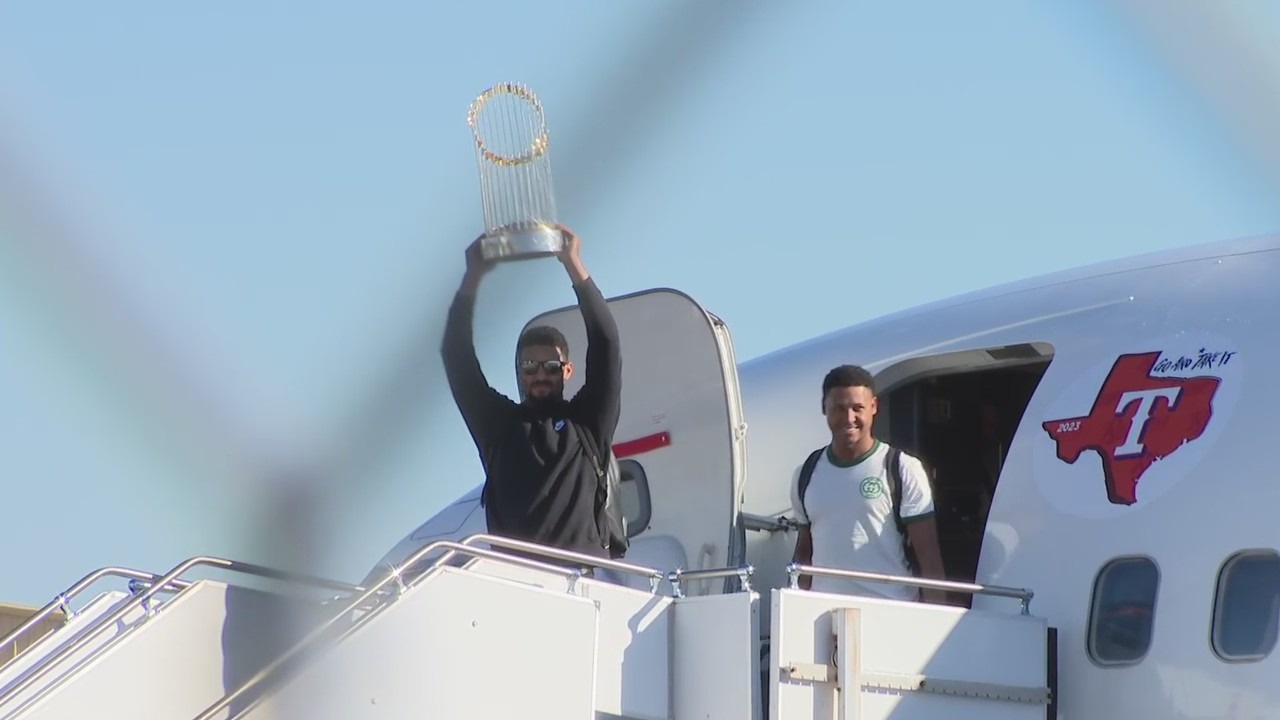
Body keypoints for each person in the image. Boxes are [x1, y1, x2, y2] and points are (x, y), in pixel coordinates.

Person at [441, 225, 622, 562]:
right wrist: (473, 277)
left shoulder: (588, 424)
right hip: (517, 582)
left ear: (567, 370)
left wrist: (572, 263)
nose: (541, 374)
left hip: (580, 586)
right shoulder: (499, 427)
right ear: (519, 373)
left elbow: (607, 344)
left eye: (551, 366)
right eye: (530, 366)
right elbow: (456, 357)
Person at [790, 365, 947, 603]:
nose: (849, 418)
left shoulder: (902, 467)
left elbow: (930, 558)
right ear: (824, 408)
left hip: (891, 610)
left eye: (857, 408)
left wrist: (936, 622)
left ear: (873, 407)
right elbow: (804, 553)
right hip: (821, 615)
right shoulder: (806, 473)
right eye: (839, 408)